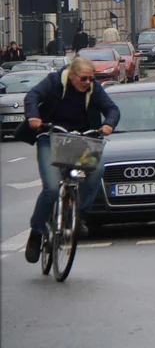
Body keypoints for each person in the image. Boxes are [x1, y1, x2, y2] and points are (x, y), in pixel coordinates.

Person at [20, 56, 120, 263]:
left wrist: (109, 123)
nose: (87, 83)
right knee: (51, 188)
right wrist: (33, 116)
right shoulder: (55, 81)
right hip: (51, 136)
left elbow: (112, 109)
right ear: (72, 75)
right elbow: (33, 96)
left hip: (82, 139)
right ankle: (37, 233)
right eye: (83, 79)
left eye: (91, 79)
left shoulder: (94, 89)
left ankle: (79, 213)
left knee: (97, 169)